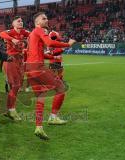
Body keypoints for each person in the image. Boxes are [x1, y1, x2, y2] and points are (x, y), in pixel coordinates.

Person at [25, 12, 76, 140]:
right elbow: (50, 43)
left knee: (41, 96)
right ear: (37, 22)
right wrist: (67, 44)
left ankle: (39, 127)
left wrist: (52, 56)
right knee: (61, 88)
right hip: (38, 67)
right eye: (44, 18)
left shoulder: (31, 34)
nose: (46, 19)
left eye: (47, 17)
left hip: (29, 68)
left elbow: (38, 53)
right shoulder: (39, 30)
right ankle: (53, 117)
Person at [0, 16, 30, 121]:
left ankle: (9, 109)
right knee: (15, 86)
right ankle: (11, 109)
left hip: (20, 61)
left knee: (17, 86)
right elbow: (1, 33)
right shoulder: (11, 32)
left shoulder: (24, 32)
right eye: (18, 21)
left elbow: (32, 35)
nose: (21, 22)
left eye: (21, 21)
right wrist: (12, 39)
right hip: (11, 60)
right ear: (13, 24)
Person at [44, 31, 67, 125]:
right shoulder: (53, 43)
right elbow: (54, 52)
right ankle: (53, 117)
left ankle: (53, 116)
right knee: (60, 91)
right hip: (54, 66)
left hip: (57, 66)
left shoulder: (53, 43)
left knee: (60, 90)